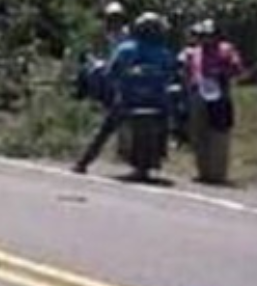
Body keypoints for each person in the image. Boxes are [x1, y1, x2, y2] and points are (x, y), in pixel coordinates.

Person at [74, 12, 177, 174]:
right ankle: (157, 158)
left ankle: (84, 161)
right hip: (155, 100)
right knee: (164, 123)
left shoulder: (126, 48)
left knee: (106, 129)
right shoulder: (164, 53)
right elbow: (170, 76)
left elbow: (111, 72)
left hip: (128, 99)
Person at [179, 19, 245, 184]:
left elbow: (237, 69)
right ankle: (203, 171)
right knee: (198, 134)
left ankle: (217, 173)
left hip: (219, 96)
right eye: (202, 36)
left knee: (219, 136)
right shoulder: (194, 52)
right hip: (198, 95)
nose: (205, 39)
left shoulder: (226, 50)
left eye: (209, 35)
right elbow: (187, 71)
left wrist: (221, 71)